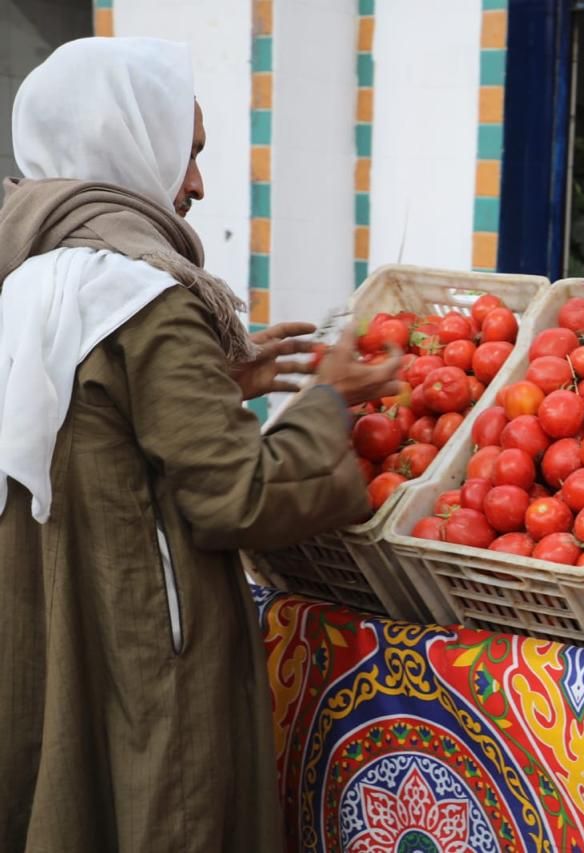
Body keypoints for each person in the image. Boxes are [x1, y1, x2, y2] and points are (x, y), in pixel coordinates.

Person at [0, 38, 402, 851]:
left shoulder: (30, 273)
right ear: (126, 141)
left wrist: (223, 385)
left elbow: (97, 430)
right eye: (187, 155)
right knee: (163, 805)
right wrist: (328, 400)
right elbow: (240, 494)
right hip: (146, 636)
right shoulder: (144, 295)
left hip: (52, 608)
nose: (196, 185)